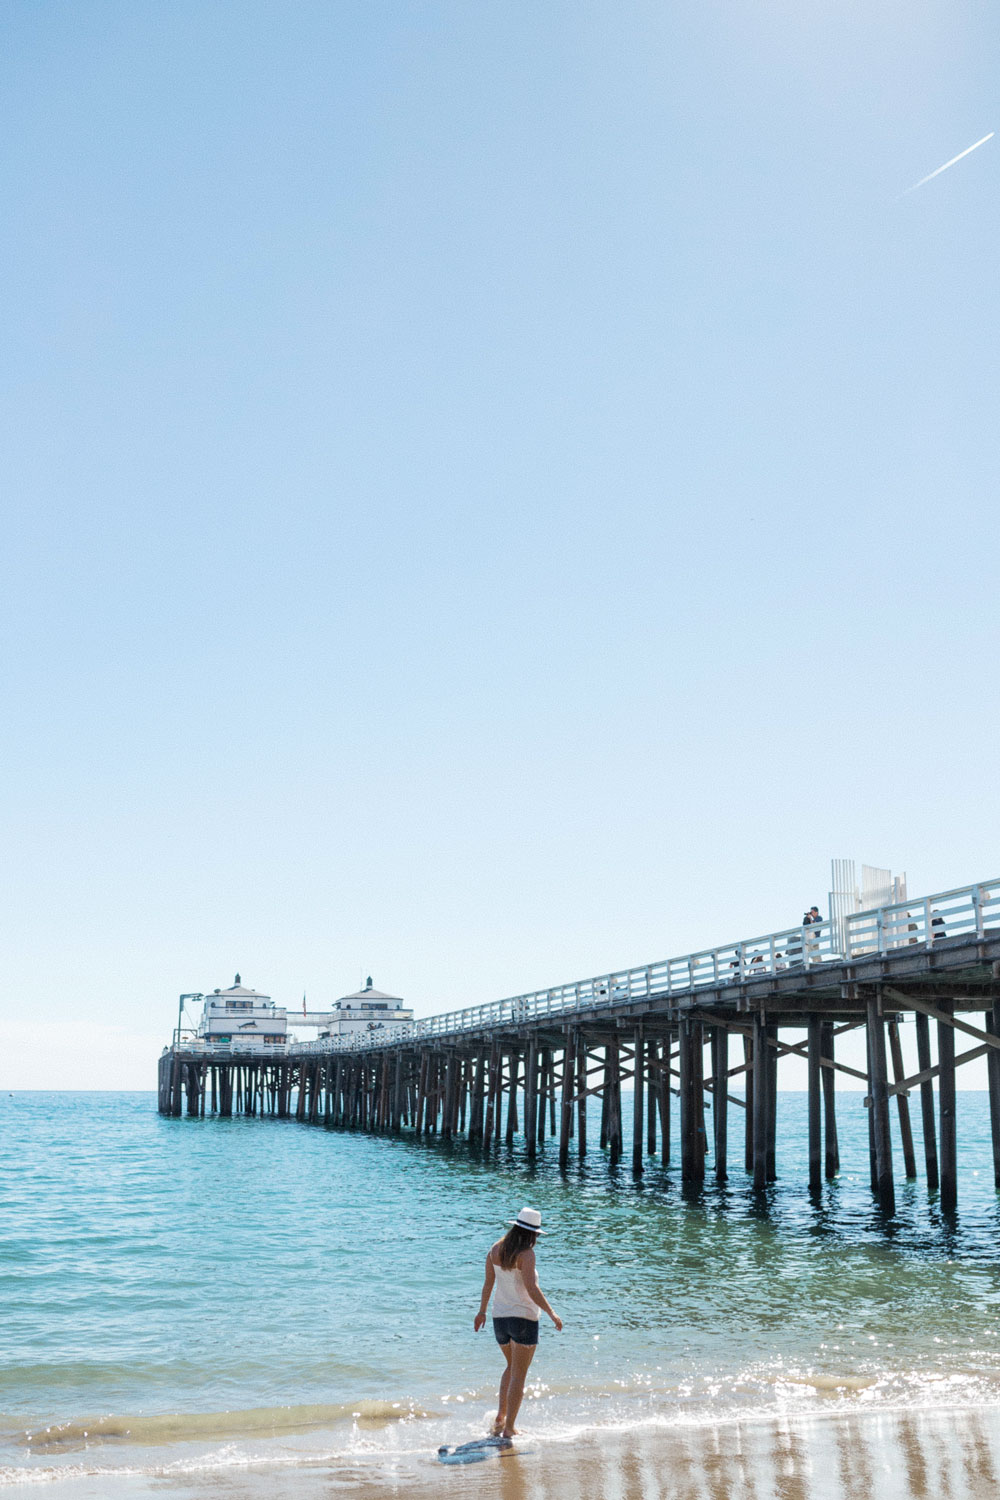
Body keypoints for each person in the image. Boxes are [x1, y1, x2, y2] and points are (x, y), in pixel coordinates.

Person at [474, 1207, 562, 1439]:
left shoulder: (495, 1249)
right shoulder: (526, 1255)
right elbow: (532, 1289)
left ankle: (501, 1417)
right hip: (524, 1319)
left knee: (511, 1368)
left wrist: (481, 1312)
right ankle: (509, 1428)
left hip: (499, 1319)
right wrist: (552, 1313)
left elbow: (487, 1285)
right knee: (519, 1375)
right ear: (532, 1234)